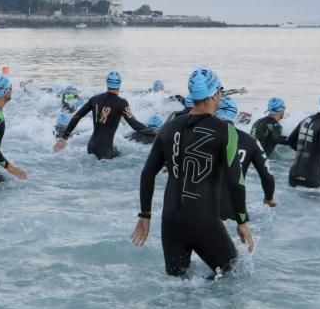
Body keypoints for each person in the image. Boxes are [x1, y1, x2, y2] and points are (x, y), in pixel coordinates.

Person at [132, 67, 254, 277]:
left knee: (176, 286)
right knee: (234, 274)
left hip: (170, 221)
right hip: (203, 220)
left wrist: (145, 215)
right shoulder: (227, 132)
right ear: (214, 94)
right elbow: (236, 181)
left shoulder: (169, 128)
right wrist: (242, 221)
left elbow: (148, 172)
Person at [54, 70, 152, 159]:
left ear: (107, 83)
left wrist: (64, 137)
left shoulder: (94, 99)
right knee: (121, 156)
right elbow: (135, 125)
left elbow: (77, 116)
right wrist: (157, 133)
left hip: (91, 147)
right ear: (120, 84)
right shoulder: (121, 103)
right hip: (105, 151)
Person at [216, 97, 276, 219]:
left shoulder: (200, 136)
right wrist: (269, 197)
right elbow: (267, 176)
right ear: (234, 114)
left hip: (204, 210)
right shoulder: (250, 141)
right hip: (236, 213)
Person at [286, 91, 320, 189]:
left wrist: (306, 150)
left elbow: (290, 141)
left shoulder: (306, 119)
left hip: (293, 176)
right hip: (311, 178)